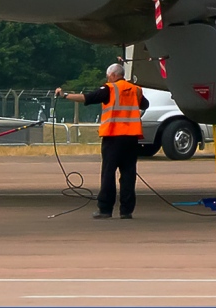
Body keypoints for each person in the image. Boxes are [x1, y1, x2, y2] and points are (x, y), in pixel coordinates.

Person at [56, 63, 149, 218]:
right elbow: (145, 104)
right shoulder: (135, 90)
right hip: (131, 138)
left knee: (108, 173)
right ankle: (126, 211)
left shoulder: (109, 89)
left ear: (113, 75)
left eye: (108, 77)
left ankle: (105, 209)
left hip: (113, 138)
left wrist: (64, 95)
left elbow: (87, 98)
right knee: (128, 175)